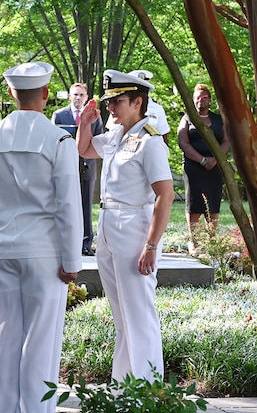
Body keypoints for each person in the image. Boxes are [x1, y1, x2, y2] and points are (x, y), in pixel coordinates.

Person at [0, 61, 82, 413]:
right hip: (44, 252)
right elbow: (68, 204)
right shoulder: (57, 140)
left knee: (4, 337)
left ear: (10, 94)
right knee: (41, 340)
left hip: (2, 250)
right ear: (47, 93)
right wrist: (72, 260)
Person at [76, 69, 174, 382]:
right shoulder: (118, 136)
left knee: (139, 315)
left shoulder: (150, 142)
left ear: (137, 101)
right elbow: (85, 149)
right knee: (122, 317)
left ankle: (148, 393)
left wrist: (151, 245)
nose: (110, 107)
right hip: (110, 226)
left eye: (117, 100)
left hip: (135, 228)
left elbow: (166, 195)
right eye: (109, 101)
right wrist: (84, 125)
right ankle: (124, 389)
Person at [51, 82, 103, 255]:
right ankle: (65, 242)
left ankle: (86, 243)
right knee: (65, 204)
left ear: (86, 97)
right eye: (75, 94)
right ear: (69, 96)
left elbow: (99, 140)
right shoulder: (59, 116)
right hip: (66, 167)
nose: (78, 98)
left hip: (87, 167)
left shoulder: (95, 116)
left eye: (81, 95)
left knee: (86, 205)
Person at [177, 83, 229, 253]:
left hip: (214, 167)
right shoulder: (188, 118)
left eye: (204, 97)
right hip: (194, 167)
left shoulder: (218, 119)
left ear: (210, 100)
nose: (201, 100)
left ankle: (212, 241)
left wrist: (215, 159)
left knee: (213, 201)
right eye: (197, 98)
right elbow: (183, 142)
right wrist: (201, 160)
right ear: (193, 100)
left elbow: (227, 141)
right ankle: (194, 242)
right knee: (194, 202)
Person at [127, 70, 170, 144]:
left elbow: (163, 137)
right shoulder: (120, 106)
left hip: (150, 151)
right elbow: (112, 131)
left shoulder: (157, 108)